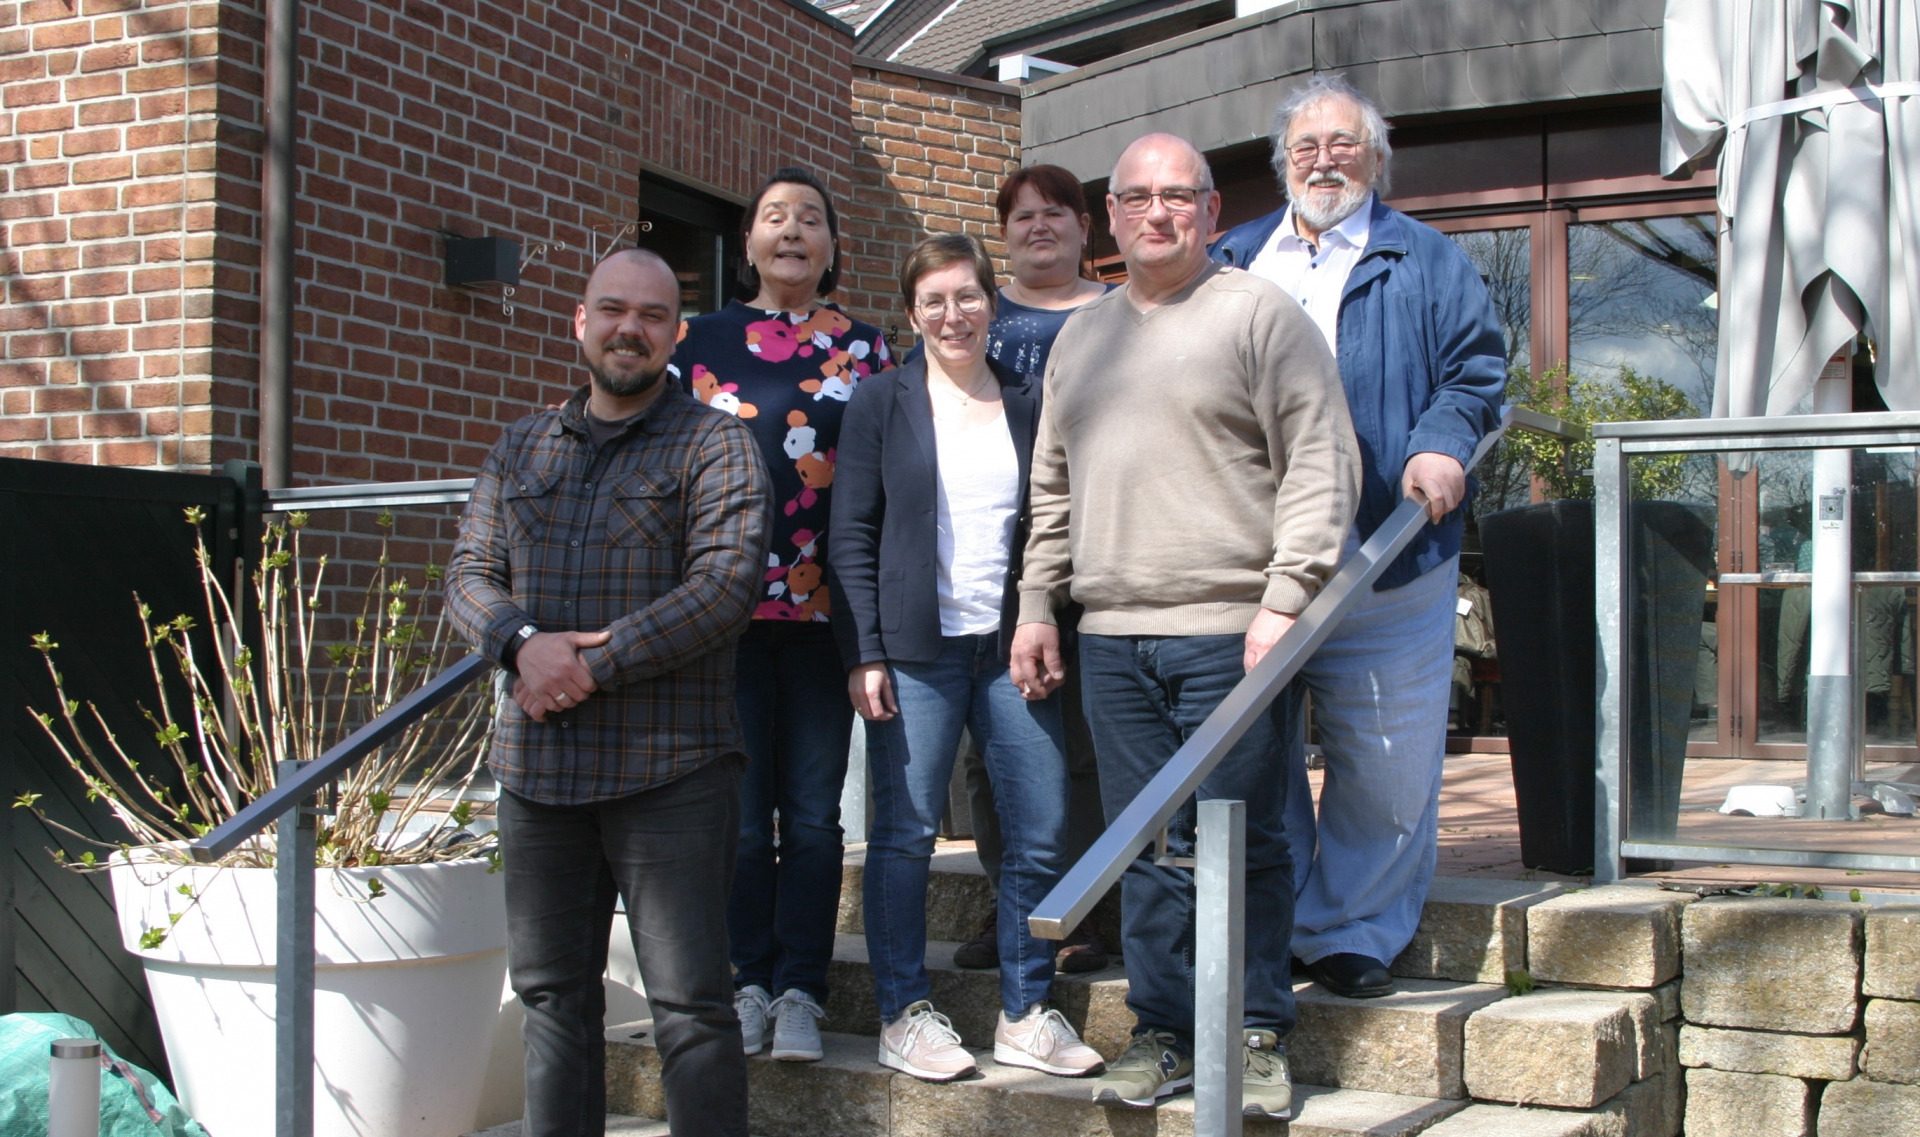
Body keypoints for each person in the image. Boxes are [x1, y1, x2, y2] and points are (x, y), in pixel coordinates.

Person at [1011, 133, 1360, 1121]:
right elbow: (1054, 484)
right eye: (1136, 197)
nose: (1157, 212)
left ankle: (1252, 1034)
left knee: (1238, 837)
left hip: (1232, 631)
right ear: (1110, 217)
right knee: (1146, 843)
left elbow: (1321, 463)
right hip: (1114, 633)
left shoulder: (1260, 315)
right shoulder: (1083, 337)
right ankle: (1164, 1029)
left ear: (1210, 212)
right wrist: (1041, 603)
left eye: (1178, 196)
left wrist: (1285, 601)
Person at [445, 248, 770, 1137]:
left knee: (692, 1006)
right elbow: (469, 573)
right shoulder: (519, 446)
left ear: (676, 334)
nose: (631, 328)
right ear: (580, 322)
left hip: (672, 770)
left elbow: (724, 586)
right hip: (540, 776)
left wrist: (587, 661)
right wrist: (519, 644)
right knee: (552, 998)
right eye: (613, 309)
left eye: (654, 315)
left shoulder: (716, 443)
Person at [1211, 74, 1506, 999]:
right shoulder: (1233, 258)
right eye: (1306, 148)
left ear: (1376, 159)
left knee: (1383, 765)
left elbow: (1473, 371)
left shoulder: (1425, 258)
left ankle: (1351, 932)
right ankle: (1290, 914)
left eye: (1344, 145)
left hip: (1389, 551)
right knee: (1256, 757)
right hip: (1251, 561)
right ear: (1281, 165)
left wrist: (1440, 446)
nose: (1324, 161)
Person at [830, 233, 1104, 1084]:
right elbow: (852, 535)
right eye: (934, 301)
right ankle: (902, 1011)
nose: (954, 314)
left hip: (1012, 646)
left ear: (993, 301)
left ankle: (1026, 1011)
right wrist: (864, 650)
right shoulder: (881, 401)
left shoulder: (1028, 399)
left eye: (968, 296)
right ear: (912, 313)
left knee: (1038, 827)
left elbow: (1052, 523)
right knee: (906, 835)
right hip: (913, 652)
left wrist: (1045, 617)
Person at [670, 167, 891, 1063]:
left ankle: (803, 984)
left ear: (833, 246)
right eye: (773, 217)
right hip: (717, 614)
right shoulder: (697, 342)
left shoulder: (870, 351)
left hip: (824, 615)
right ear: (749, 241)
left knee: (809, 815)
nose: (791, 231)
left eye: (810, 219)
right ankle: (746, 979)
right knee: (736, 808)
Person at [950, 164, 1113, 977]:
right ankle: (1011, 896)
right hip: (988, 556)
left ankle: (1084, 905)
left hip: (1099, 553)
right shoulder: (980, 316)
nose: (1039, 227)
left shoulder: (1121, 315)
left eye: (1056, 212)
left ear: (1087, 227)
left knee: (1080, 741)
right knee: (993, 745)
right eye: (1021, 216)